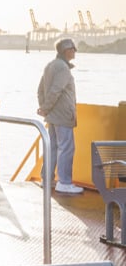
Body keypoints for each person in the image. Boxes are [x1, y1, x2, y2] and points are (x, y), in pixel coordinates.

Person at [37, 37, 83, 194]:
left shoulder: (50, 65)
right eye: (73, 48)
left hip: (52, 116)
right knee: (67, 148)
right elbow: (55, 90)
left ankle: (46, 179)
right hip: (63, 115)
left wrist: (44, 108)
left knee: (53, 147)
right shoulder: (63, 68)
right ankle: (64, 182)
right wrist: (45, 108)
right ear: (66, 50)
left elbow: (40, 90)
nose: (75, 51)